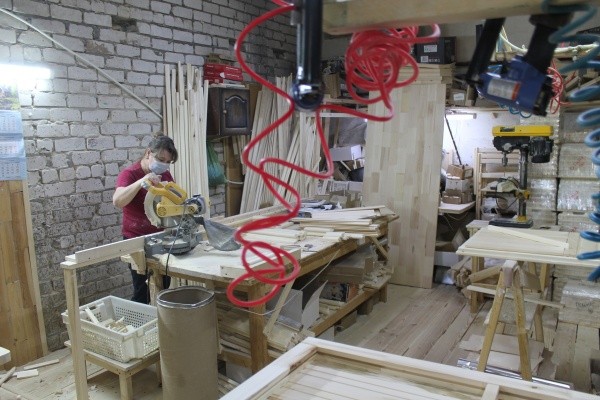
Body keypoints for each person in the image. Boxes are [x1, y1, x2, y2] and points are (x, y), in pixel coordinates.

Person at [113, 134, 178, 303]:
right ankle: (139, 319)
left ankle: (159, 317)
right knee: (142, 291)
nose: (164, 164)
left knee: (163, 284)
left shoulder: (165, 175)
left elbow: (173, 201)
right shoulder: (130, 174)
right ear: (148, 153)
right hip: (136, 240)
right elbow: (118, 201)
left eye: (168, 162)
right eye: (161, 159)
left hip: (160, 237)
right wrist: (142, 181)